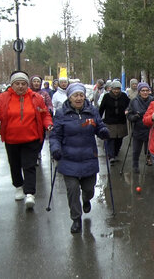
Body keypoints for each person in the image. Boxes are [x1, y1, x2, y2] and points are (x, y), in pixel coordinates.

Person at [49, 83, 110, 233]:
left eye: (81, 95)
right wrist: (55, 149)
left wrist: (103, 131)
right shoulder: (61, 113)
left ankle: (87, 199)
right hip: (68, 159)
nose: (79, 98)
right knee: (73, 190)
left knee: (89, 189)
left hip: (88, 157)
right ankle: (76, 219)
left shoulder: (92, 111)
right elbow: (55, 135)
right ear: (69, 97)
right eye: (75, 95)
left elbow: (99, 126)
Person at [0, 71, 53, 209]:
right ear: (12, 85)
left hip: (31, 138)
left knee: (29, 165)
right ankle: (19, 186)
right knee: (14, 165)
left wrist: (48, 124)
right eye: (17, 83)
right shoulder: (3, 98)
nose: (20, 86)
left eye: (23, 84)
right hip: (11, 139)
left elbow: (44, 114)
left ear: (28, 84)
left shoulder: (36, 97)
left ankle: (30, 194)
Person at [98, 80, 130, 165]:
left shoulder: (124, 96)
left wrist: (127, 110)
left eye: (118, 89)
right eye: (114, 89)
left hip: (121, 121)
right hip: (109, 122)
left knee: (119, 139)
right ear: (111, 89)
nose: (116, 91)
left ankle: (115, 153)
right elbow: (101, 108)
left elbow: (129, 104)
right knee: (110, 139)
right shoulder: (106, 96)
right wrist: (98, 119)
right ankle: (111, 156)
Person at [126, 82, 154, 173]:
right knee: (136, 150)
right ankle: (135, 164)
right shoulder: (134, 101)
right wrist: (134, 117)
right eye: (143, 90)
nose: (145, 92)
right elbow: (129, 114)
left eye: (147, 90)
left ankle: (148, 159)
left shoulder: (153, 101)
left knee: (149, 149)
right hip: (138, 128)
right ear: (139, 92)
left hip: (150, 128)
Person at [30, 75, 53, 166]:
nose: (36, 83)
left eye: (38, 82)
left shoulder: (44, 93)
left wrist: (50, 110)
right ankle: (33, 154)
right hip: (31, 119)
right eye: (34, 81)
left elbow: (49, 104)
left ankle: (38, 151)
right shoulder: (28, 92)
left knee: (41, 137)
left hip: (42, 118)